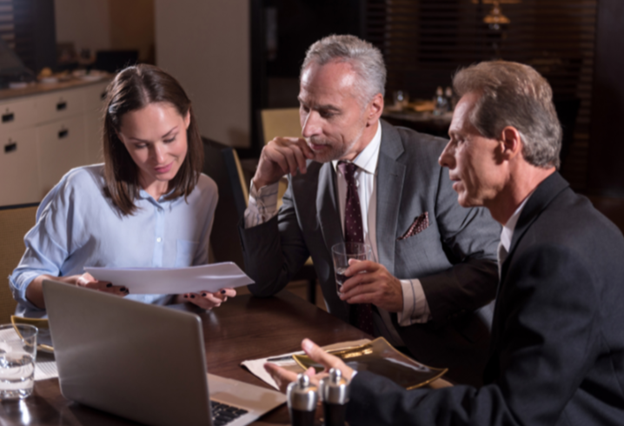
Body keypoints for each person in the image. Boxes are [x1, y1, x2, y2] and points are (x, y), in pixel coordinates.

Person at [266, 60, 624, 425]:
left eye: (459, 140)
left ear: (508, 144)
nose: (444, 156)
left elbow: (510, 417)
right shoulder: (558, 223)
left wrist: (354, 392)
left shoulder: (556, 256)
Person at [239, 35, 500, 385]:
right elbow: (264, 281)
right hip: (352, 358)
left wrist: (405, 295)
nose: (308, 128)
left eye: (328, 112)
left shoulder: (435, 164)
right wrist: (262, 187)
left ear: (373, 108)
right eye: (304, 106)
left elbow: (492, 268)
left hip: (443, 362)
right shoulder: (306, 172)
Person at [10, 64, 236, 318]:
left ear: (187, 118)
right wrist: (74, 287)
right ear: (119, 135)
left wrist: (196, 295)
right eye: (141, 145)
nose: (159, 157)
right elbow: (23, 280)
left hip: (162, 336)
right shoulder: (81, 188)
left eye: (169, 138)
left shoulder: (204, 192)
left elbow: (185, 286)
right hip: (84, 338)